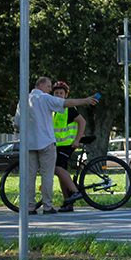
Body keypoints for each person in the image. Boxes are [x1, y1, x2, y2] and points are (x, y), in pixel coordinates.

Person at [13, 77, 98, 214]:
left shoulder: (23, 100)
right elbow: (67, 102)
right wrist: (86, 100)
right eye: (49, 87)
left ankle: (29, 207)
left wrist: (31, 129)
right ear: (41, 85)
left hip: (29, 144)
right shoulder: (45, 98)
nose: (50, 90)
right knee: (47, 175)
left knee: (30, 175)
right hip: (46, 142)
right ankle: (47, 206)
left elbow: (17, 124)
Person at [51, 81, 86, 212]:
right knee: (61, 173)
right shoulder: (54, 109)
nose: (58, 95)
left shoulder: (68, 108)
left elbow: (82, 122)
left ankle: (75, 191)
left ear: (66, 95)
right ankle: (68, 202)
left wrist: (77, 140)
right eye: (56, 93)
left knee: (57, 168)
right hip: (57, 144)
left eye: (61, 93)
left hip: (68, 144)